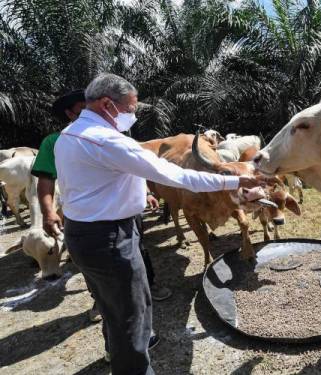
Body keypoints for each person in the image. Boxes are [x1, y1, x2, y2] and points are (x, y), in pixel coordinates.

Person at [55, 73, 267, 375]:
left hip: (80, 234)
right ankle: (132, 362)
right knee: (132, 316)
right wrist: (235, 179)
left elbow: (97, 182)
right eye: (130, 108)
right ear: (106, 104)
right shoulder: (108, 140)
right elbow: (178, 176)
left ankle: (113, 348)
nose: (133, 114)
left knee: (111, 305)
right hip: (111, 237)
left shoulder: (69, 134)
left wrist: (139, 194)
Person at [33, 90, 173, 324]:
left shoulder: (112, 135)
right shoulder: (55, 142)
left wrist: (146, 192)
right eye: (81, 111)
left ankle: (149, 285)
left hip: (125, 212)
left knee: (138, 248)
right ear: (69, 114)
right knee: (95, 264)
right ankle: (101, 300)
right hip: (85, 218)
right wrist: (48, 211)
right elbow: (45, 181)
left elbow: (133, 168)